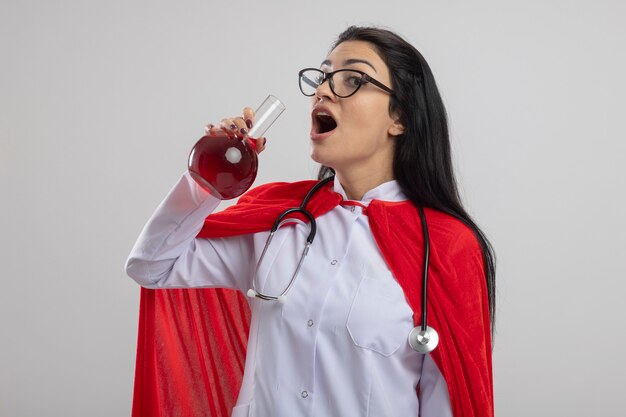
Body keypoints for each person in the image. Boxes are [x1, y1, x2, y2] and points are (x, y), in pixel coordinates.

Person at [126, 25, 496, 417]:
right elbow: (152, 267)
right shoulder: (279, 218)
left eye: (352, 79)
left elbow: (451, 402)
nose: (323, 90)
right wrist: (206, 180)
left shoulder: (446, 245)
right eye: (322, 77)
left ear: (399, 117)